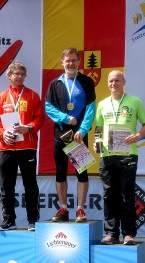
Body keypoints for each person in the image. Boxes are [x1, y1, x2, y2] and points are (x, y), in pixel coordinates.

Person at [94, 70, 145, 245]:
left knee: (127, 195)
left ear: (123, 82)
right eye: (111, 81)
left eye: (117, 80)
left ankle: (128, 234)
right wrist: (97, 142)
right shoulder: (103, 104)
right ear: (107, 84)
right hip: (107, 155)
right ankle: (111, 233)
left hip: (128, 155)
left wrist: (138, 136)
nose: (113, 84)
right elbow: (98, 128)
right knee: (109, 195)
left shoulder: (135, 101)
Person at [0, 61, 44, 231]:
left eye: (22, 74)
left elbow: (40, 118)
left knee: (30, 184)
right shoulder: (1, 97)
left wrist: (28, 127)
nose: (20, 77)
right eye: (17, 74)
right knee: (6, 186)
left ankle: (32, 221)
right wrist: (2, 133)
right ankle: (9, 221)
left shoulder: (33, 96)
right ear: (9, 76)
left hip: (27, 146)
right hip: (6, 147)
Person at [45, 47, 96, 223]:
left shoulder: (87, 82)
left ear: (79, 62)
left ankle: (80, 210)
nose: (71, 63)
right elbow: (48, 107)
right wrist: (66, 118)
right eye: (68, 60)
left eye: (74, 60)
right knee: (60, 172)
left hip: (78, 135)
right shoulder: (55, 84)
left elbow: (90, 109)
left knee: (82, 172)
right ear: (62, 62)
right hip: (61, 134)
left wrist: (82, 130)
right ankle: (63, 208)